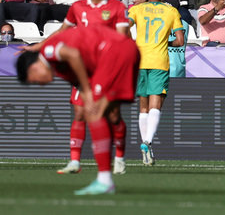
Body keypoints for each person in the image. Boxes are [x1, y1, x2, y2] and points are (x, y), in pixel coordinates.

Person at [24, 0, 131, 175]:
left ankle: (119, 157)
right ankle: (74, 161)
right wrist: (38, 46)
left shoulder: (117, 9)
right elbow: (62, 32)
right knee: (80, 113)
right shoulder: (78, 8)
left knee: (113, 116)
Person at [16, 25, 140, 195]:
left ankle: (105, 180)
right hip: (126, 51)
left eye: (35, 81)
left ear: (33, 67)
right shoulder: (60, 69)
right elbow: (82, 78)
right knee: (102, 114)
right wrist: (87, 93)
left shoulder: (48, 51)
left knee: (95, 113)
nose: (41, 84)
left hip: (114, 52)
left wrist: (88, 93)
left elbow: (73, 54)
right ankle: (106, 177)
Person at [127, 0, 185, 166]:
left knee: (143, 107)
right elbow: (180, 41)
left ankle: (146, 147)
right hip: (159, 61)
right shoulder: (171, 11)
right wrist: (164, 42)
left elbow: (122, 27)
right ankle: (147, 142)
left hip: (139, 61)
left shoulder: (136, 9)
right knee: (156, 105)